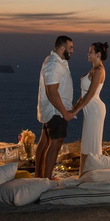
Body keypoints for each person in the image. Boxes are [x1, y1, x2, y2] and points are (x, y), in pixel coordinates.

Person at [35, 35, 74, 178]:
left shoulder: (57, 61)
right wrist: (65, 112)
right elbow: (51, 91)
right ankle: (46, 179)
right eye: (70, 47)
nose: (72, 51)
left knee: (45, 142)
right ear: (62, 47)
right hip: (56, 111)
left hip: (53, 110)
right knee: (55, 143)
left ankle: (39, 176)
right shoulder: (54, 64)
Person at [71, 42, 108, 174]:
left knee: (92, 144)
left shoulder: (99, 71)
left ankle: (91, 175)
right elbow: (83, 94)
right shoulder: (93, 70)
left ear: (98, 54)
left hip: (95, 109)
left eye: (90, 51)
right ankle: (84, 175)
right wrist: (74, 108)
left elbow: (91, 93)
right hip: (89, 109)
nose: (88, 54)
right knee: (86, 144)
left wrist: (76, 110)